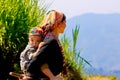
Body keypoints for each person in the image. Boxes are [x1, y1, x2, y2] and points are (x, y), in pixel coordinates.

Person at [25, 10, 68, 80]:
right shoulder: (51, 41)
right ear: (59, 23)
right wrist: (52, 77)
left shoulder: (51, 38)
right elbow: (33, 64)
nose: (66, 25)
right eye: (65, 22)